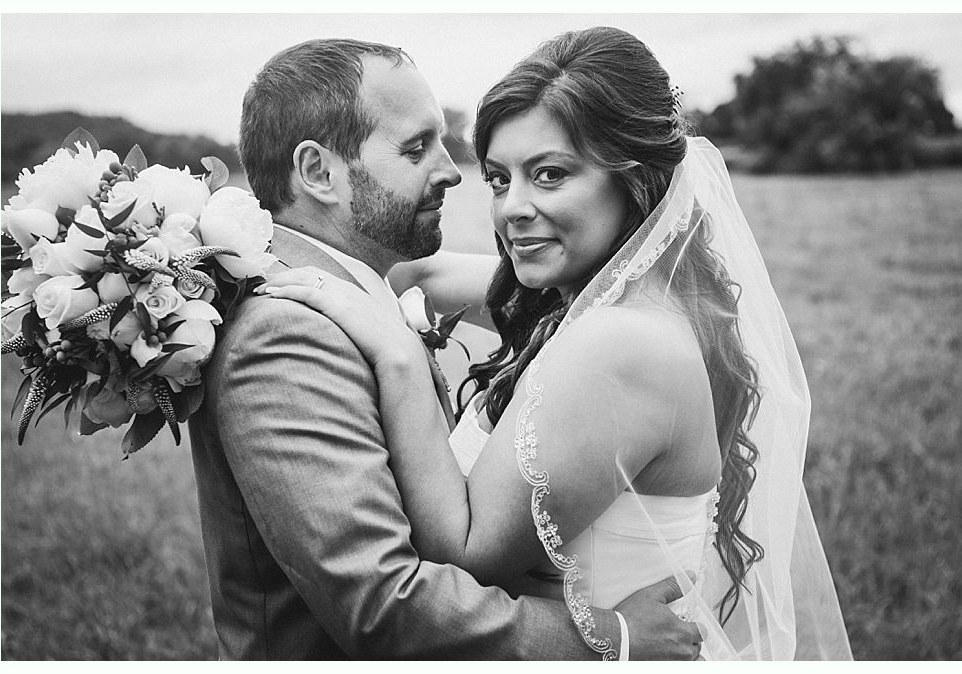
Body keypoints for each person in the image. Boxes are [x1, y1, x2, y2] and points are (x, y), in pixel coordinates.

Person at [263, 27, 853, 660]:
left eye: (548, 175)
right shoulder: (604, 297)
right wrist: (194, 260)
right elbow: (422, 275)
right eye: (497, 178)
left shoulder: (621, 344)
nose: (512, 207)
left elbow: (464, 556)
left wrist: (401, 358)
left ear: (632, 177)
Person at [188, 37, 702, 660]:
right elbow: (382, 604)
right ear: (320, 173)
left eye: (548, 174)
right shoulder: (288, 334)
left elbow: (458, 282)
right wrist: (609, 637)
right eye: (415, 148)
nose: (454, 172)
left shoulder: (358, 295)